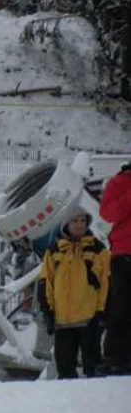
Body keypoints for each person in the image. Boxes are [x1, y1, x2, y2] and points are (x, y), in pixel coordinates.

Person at [37, 207, 110, 379]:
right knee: (65, 370)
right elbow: (46, 282)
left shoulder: (99, 250)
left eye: (82, 221)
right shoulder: (54, 251)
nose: (79, 225)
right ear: (66, 224)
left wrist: (101, 313)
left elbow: (106, 284)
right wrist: (48, 311)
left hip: (89, 321)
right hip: (63, 323)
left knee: (93, 369)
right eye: (74, 221)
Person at [97, 161, 131, 376]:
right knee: (122, 308)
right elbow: (108, 213)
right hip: (125, 254)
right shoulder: (119, 182)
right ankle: (115, 357)